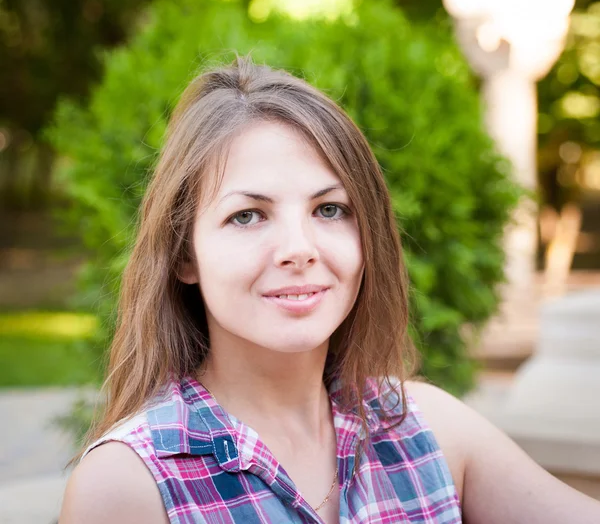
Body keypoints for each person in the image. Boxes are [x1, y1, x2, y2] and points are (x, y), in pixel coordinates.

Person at [60, 58, 600, 524]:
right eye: (247, 215)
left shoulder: (427, 428)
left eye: (329, 210)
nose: (300, 248)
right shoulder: (127, 484)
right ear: (184, 256)